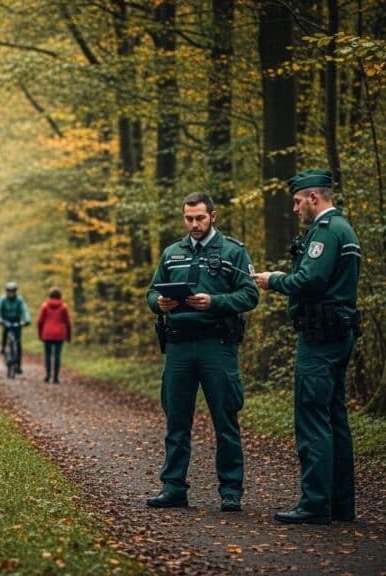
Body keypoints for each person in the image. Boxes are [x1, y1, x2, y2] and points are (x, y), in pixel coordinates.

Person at [252, 169, 361, 525]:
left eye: (298, 201)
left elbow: (311, 279)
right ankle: (340, 503)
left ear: (315, 198)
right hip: (337, 334)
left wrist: (274, 280)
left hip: (321, 338)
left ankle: (315, 503)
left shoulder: (327, 232)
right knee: (334, 419)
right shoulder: (342, 230)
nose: (296, 209)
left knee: (313, 418)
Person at [145, 192, 259, 513]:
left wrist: (215, 302)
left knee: (226, 419)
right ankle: (173, 487)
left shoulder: (233, 252)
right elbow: (152, 291)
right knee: (176, 420)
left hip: (217, 346)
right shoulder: (171, 253)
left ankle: (231, 490)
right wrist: (159, 303)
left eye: (199, 218)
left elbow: (250, 295)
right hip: (179, 347)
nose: (194, 224)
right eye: (188, 218)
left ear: (213, 216)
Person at [36, 287, 72, 383]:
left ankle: (47, 375)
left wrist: (40, 334)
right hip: (59, 334)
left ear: (50, 296)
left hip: (47, 333)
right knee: (57, 355)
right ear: (60, 296)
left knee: (47, 355)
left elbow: (39, 322)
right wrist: (69, 336)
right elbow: (68, 323)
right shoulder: (64, 307)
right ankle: (56, 377)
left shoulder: (44, 306)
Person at [0, 281, 30, 372]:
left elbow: (25, 310)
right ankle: (3, 347)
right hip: (5, 320)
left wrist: (26, 320)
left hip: (17, 322)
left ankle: (18, 365)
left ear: (15, 291)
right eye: (9, 291)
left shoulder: (19, 300)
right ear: (6, 291)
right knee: (5, 333)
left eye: (13, 291)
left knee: (18, 343)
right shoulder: (2, 299)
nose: (11, 293)